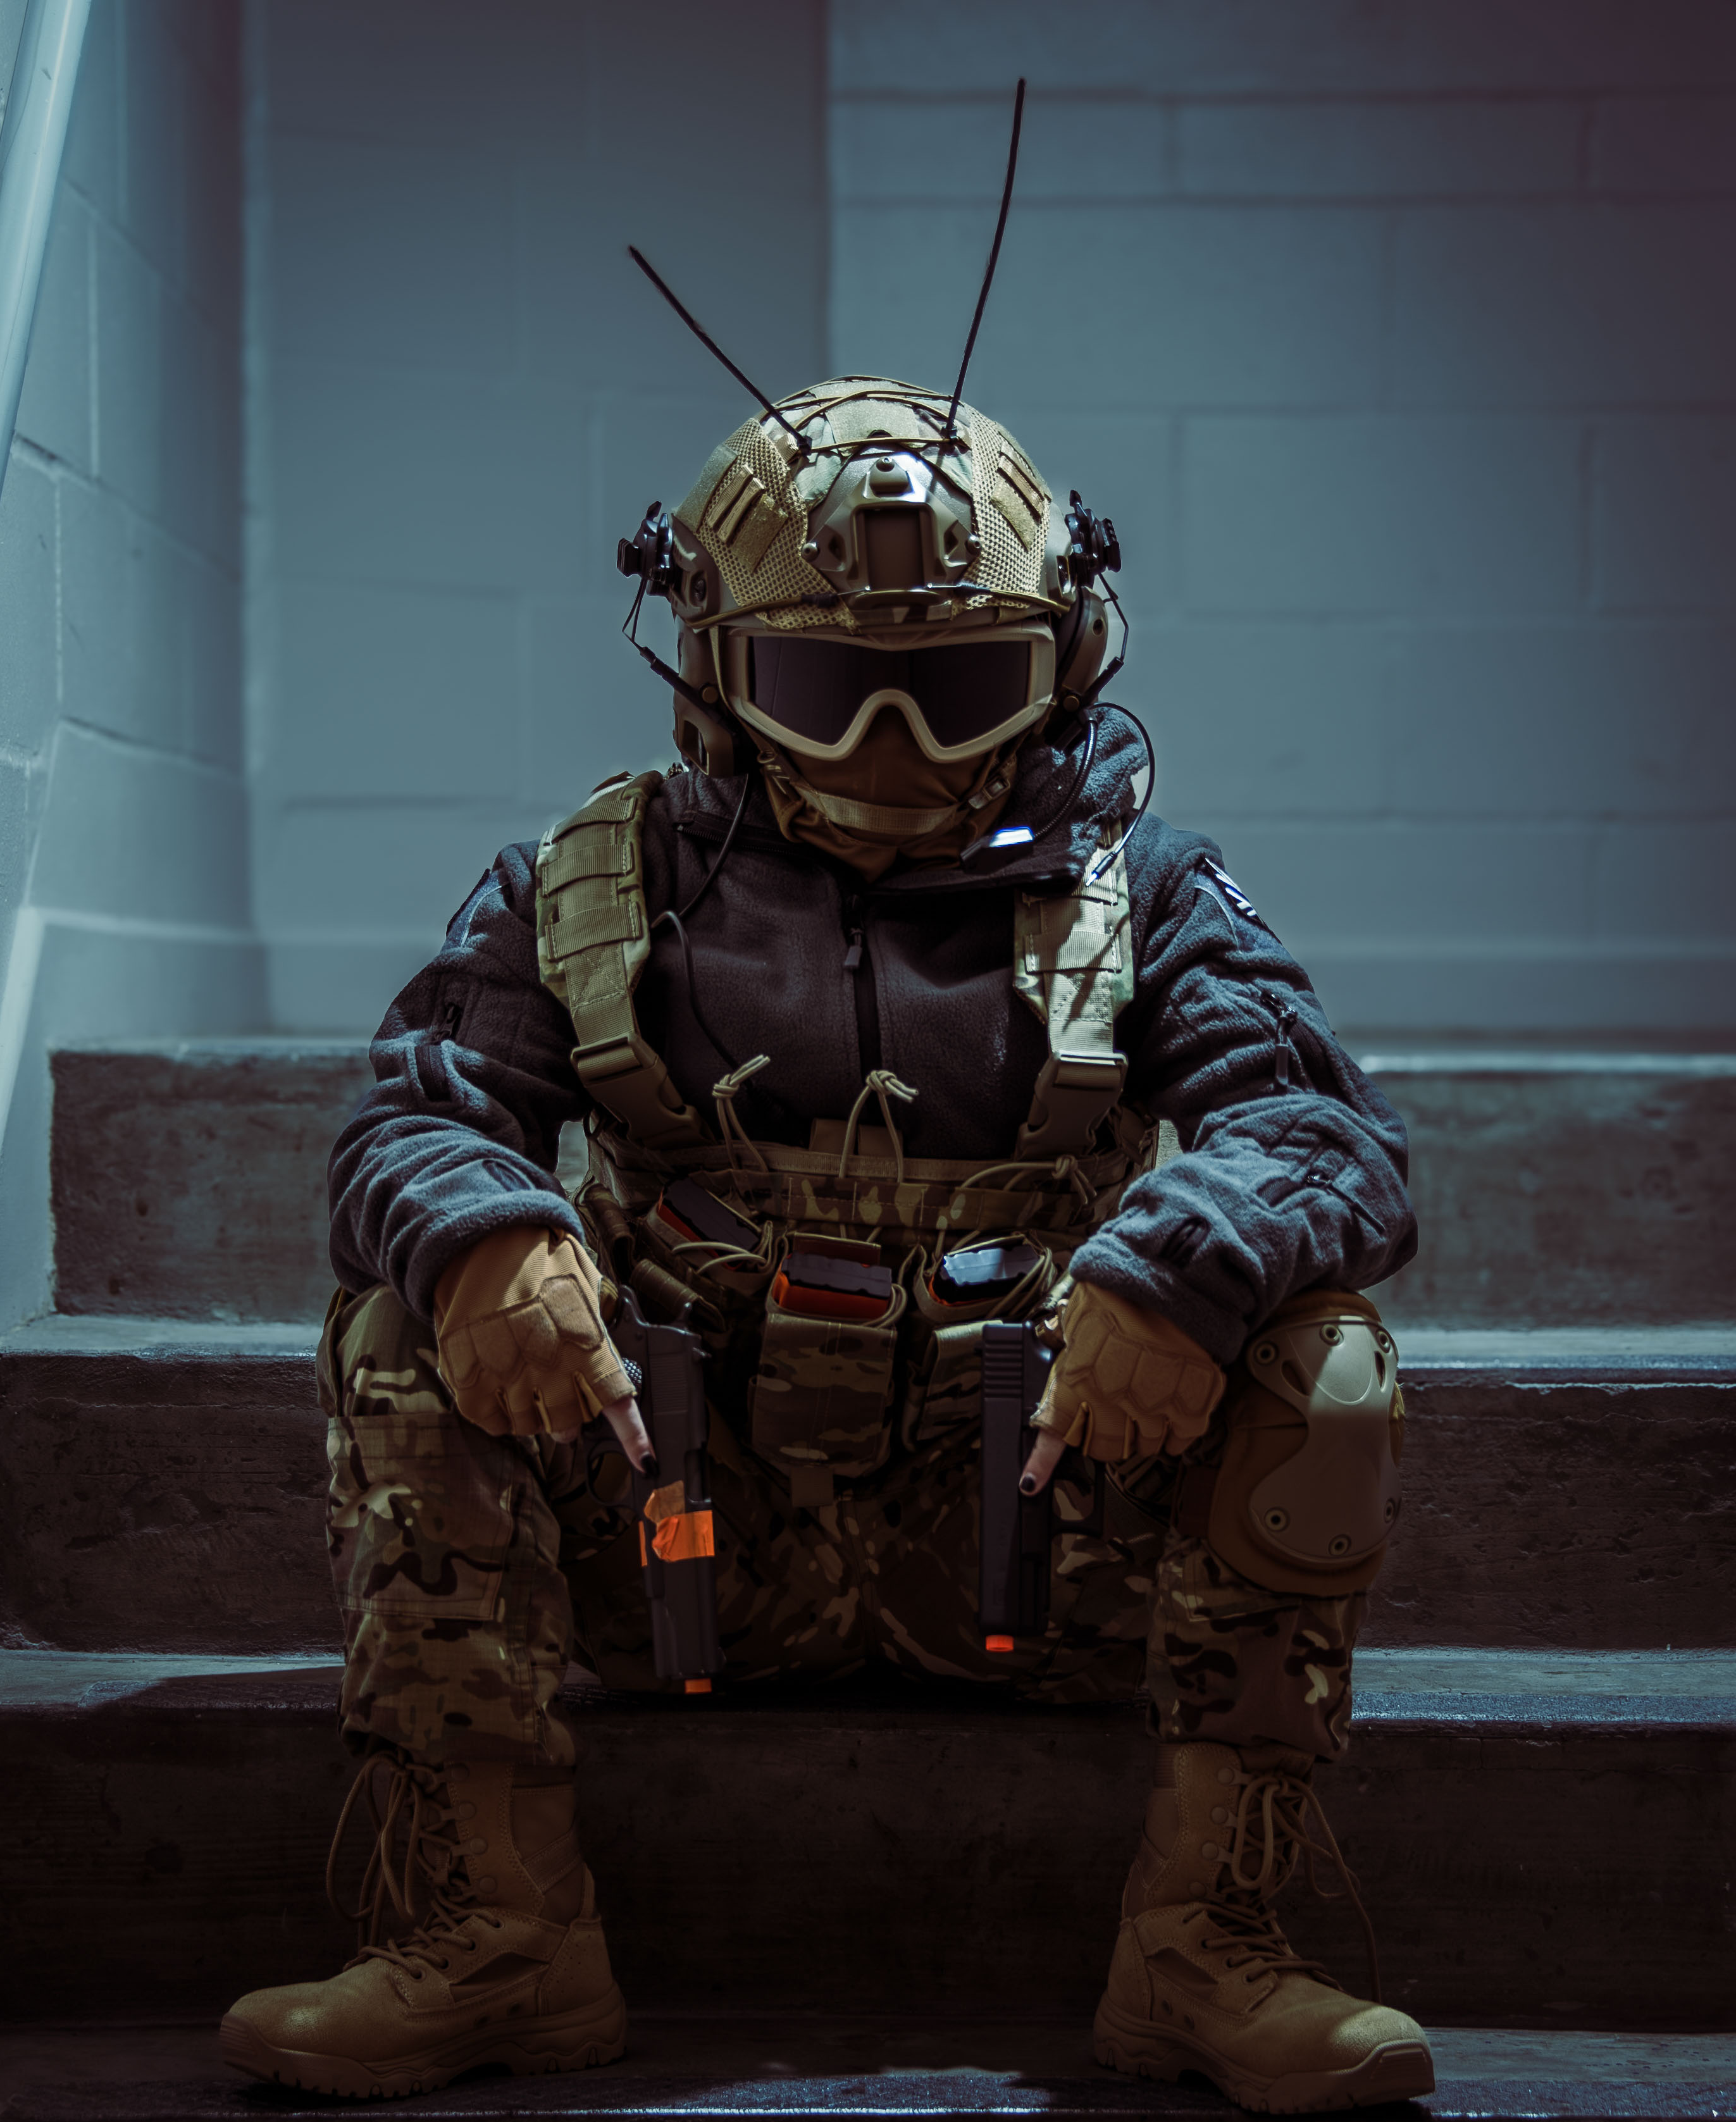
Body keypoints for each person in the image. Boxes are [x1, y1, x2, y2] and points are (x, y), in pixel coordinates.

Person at [220, 375, 1431, 2111]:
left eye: (956, 695)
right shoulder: (585, 883)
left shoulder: (1142, 889)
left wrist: (1184, 1258)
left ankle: (1207, 1943)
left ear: (1063, 659)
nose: (890, 750)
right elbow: (406, 1121)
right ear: (713, 667)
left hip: (1040, 1536)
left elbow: (1329, 1136)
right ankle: (494, 1930)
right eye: (823, 687)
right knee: (409, 1326)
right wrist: (485, 1232)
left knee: (1326, 1367)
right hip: (679, 1530)